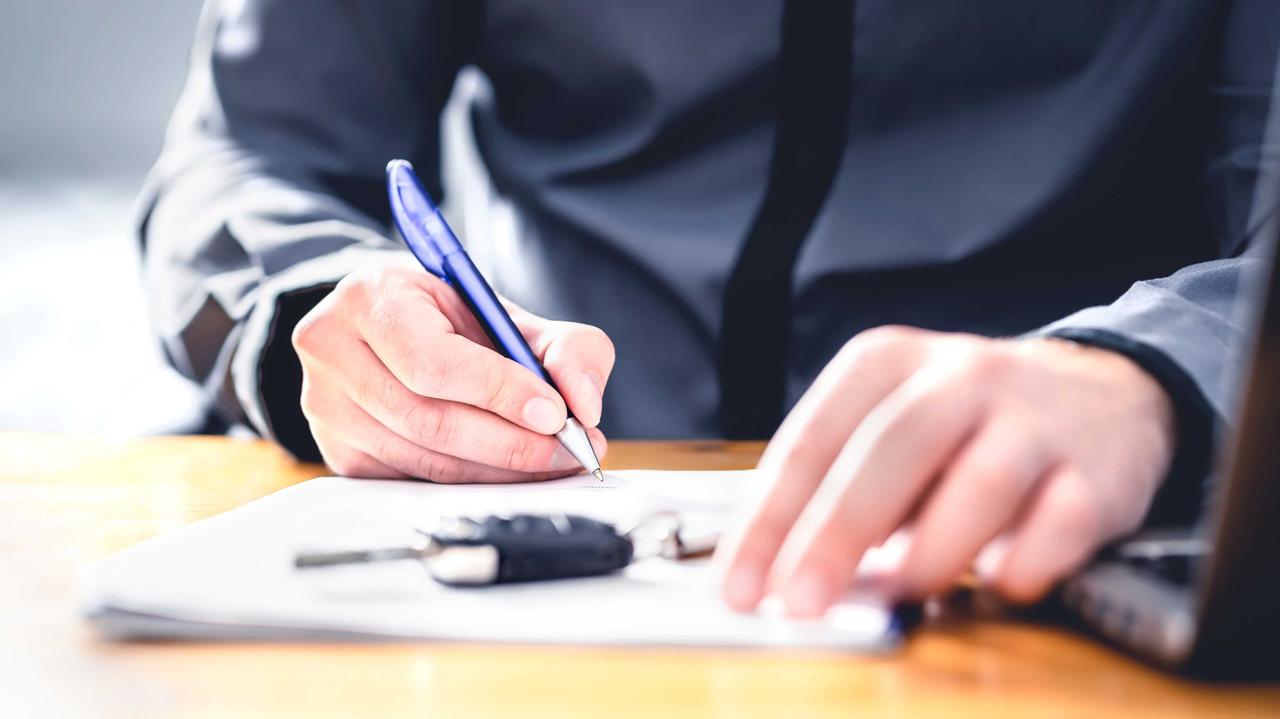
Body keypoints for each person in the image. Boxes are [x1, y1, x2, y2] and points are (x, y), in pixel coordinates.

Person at [139, 1, 1279, 617]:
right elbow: (245, 151)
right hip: (532, 518)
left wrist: (1150, 376)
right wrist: (316, 312)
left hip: (1031, 550)